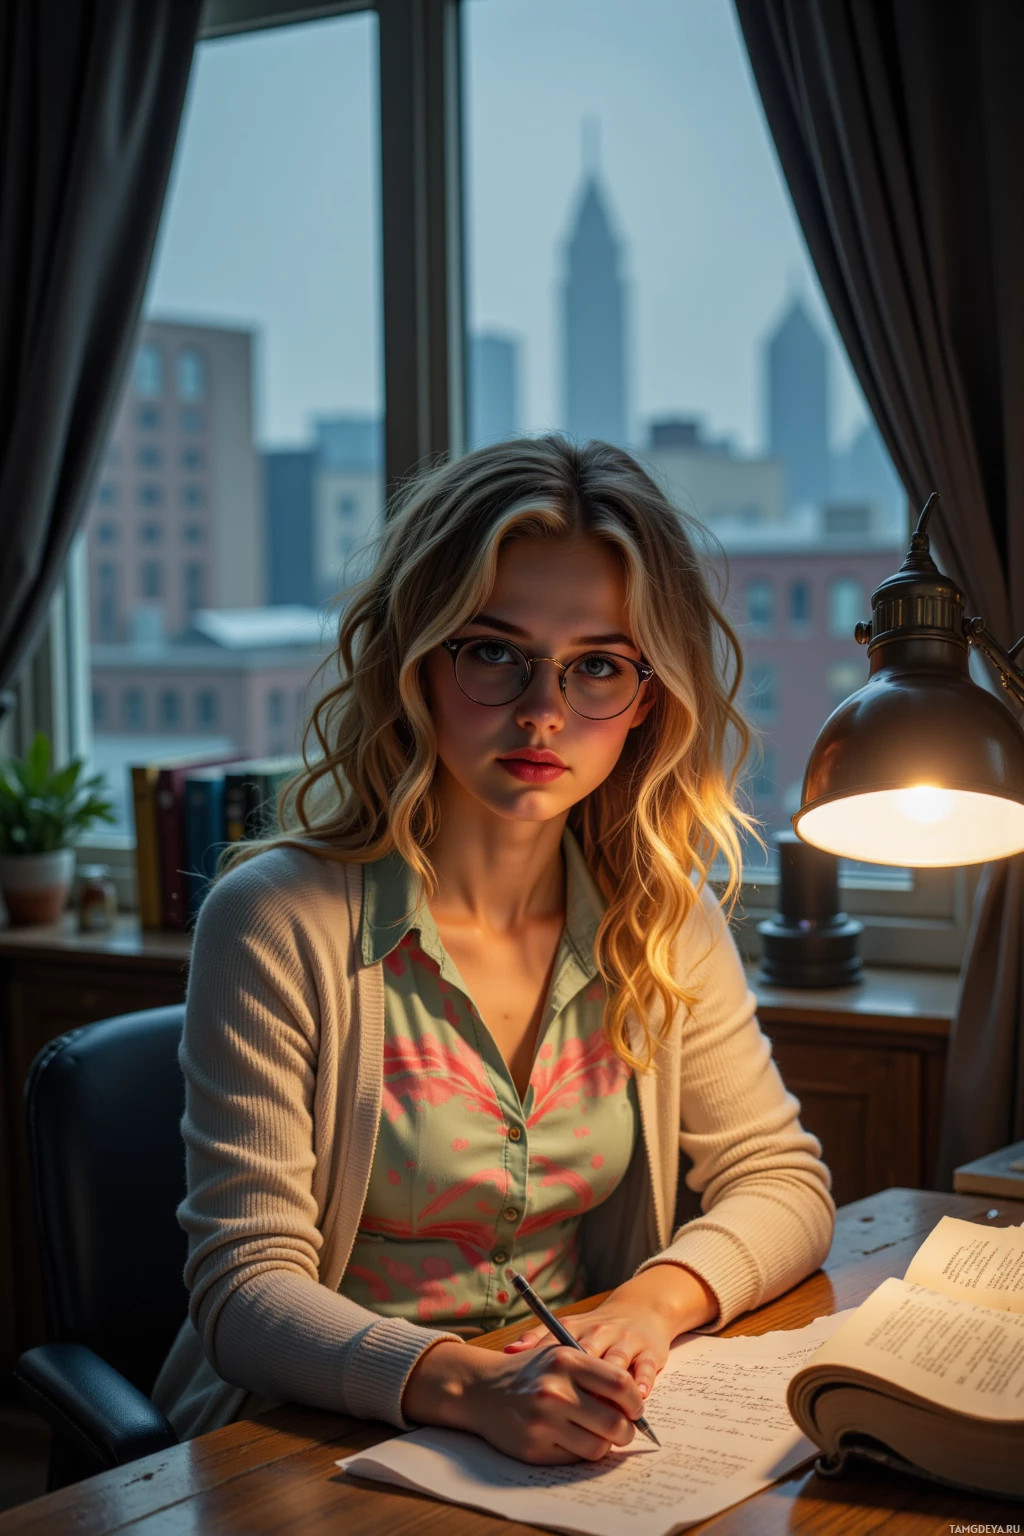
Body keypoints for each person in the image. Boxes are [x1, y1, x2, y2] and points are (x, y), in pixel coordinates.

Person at [152, 435, 834, 1466]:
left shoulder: (658, 917)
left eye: (597, 664)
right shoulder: (275, 918)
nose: (543, 710)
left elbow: (781, 1179)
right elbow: (245, 1291)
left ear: (647, 697)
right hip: (298, 1434)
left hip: (562, 1408)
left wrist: (650, 1306)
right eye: (492, 650)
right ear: (417, 661)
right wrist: (469, 1383)